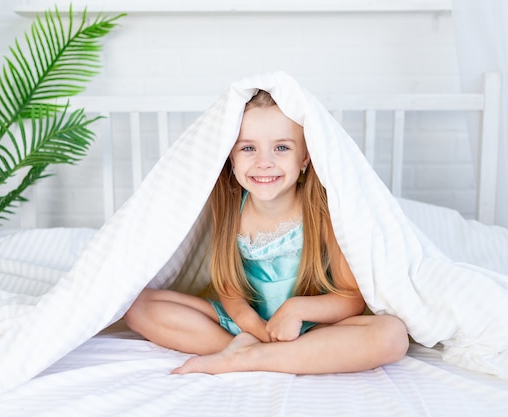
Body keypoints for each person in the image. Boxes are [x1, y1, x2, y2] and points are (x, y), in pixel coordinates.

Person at [124, 89, 409, 375]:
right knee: (137, 306)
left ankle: (247, 358)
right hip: (247, 326)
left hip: (313, 327)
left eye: (282, 148)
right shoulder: (230, 206)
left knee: (391, 335)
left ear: (306, 157)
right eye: (248, 148)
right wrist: (252, 325)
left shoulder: (322, 211)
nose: (264, 162)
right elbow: (229, 287)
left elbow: (350, 299)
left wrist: (296, 310)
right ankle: (253, 349)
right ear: (231, 157)